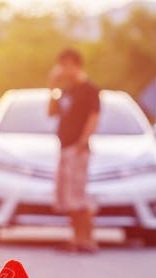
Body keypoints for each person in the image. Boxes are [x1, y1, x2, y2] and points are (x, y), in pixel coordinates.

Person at [48, 48, 100, 253]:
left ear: (76, 66)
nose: (64, 70)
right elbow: (51, 112)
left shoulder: (89, 89)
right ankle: (77, 238)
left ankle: (88, 239)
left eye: (67, 66)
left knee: (78, 196)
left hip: (77, 150)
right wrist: (52, 84)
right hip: (65, 148)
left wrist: (82, 142)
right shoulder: (67, 90)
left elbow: (94, 116)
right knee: (68, 197)